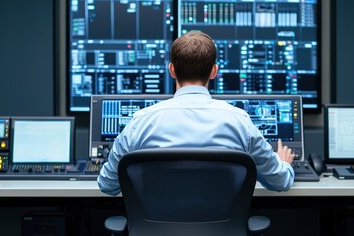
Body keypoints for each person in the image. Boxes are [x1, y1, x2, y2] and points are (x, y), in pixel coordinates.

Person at [98, 31, 295, 196]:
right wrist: (284, 164)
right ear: (214, 71)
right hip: (221, 232)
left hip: (158, 232)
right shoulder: (239, 122)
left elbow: (107, 185)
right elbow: (280, 182)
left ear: (172, 70)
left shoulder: (140, 123)